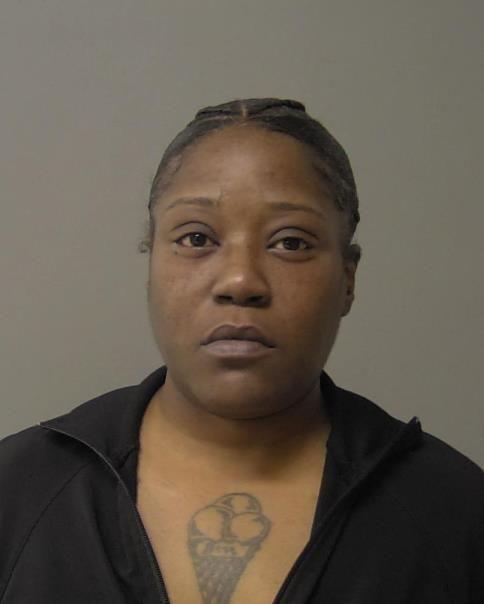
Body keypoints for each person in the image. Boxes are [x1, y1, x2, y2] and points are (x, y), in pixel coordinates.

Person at [0, 98, 483, 604]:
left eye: (290, 243)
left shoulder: (454, 512)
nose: (240, 281)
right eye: (196, 238)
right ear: (151, 265)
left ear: (347, 279)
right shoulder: (18, 491)